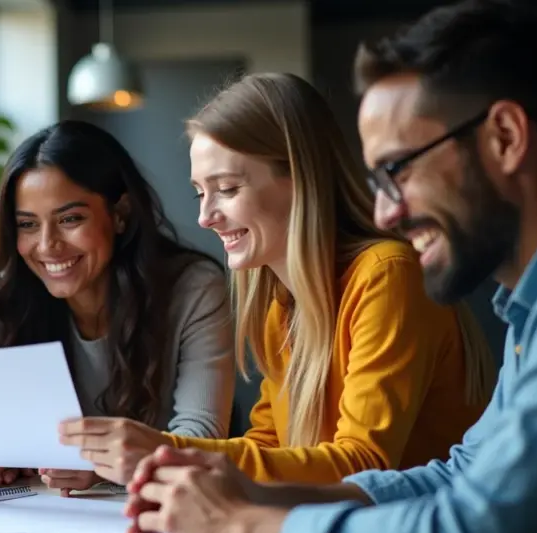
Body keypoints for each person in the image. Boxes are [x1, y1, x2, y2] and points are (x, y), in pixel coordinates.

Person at [125, 0, 537, 533]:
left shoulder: (392, 274)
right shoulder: (526, 319)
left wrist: (236, 526)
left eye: (400, 169)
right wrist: (245, 490)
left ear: (505, 138)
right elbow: (455, 477)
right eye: (379, 182)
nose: (386, 213)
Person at [100, 71, 497, 487]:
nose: (205, 216)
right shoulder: (281, 305)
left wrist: (168, 453)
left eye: (228, 189)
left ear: (301, 179)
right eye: (201, 192)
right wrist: (160, 456)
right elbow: (271, 447)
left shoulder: (387, 276)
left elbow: (364, 465)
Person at [0, 120, 235, 494]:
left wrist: (103, 467)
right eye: (28, 225)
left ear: (120, 214)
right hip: (38, 512)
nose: (48, 245)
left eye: (70, 219)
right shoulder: (5, 296)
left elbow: (202, 433)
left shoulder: (193, 288)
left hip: (158, 508)